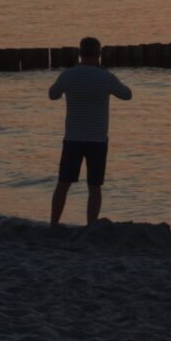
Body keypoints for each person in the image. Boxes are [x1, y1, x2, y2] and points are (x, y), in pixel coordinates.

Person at [48, 37, 132, 225]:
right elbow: (127, 95)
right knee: (94, 187)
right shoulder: (105, 77)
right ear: (99, 54)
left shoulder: (68, 75)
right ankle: (91, 225)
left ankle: (53, 223)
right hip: (97, 139)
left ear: (80, 53)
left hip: (73, 138)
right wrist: (108, 74)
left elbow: (53, 95)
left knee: (63, 184)